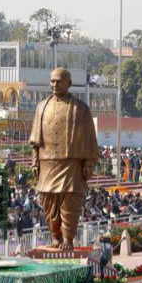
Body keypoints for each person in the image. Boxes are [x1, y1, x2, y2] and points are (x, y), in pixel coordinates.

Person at [28, 67, 100, 249]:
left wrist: (89, 162)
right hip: (47, 164)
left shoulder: (81, 109)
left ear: (68, 83)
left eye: (58, 81)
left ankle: (68, 239)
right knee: (49, 203)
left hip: (71, 164)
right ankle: (56, 238)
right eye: (52, 81)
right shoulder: (41, 107)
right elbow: (35, 141)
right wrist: (35, 161)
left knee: (70, 201)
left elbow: (90, 138)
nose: (54, 84)